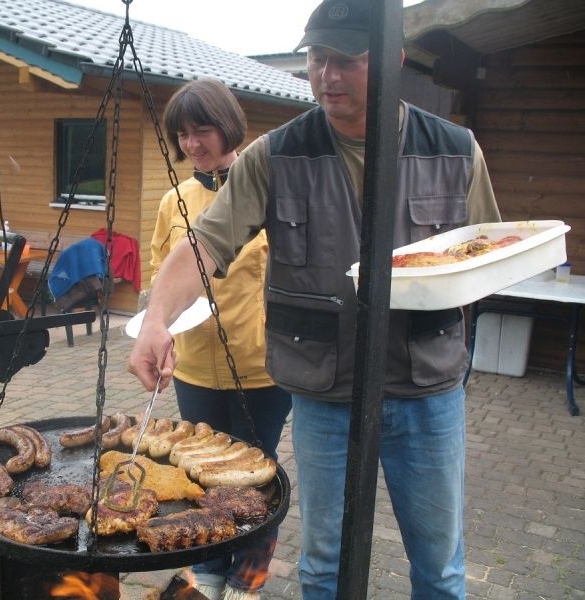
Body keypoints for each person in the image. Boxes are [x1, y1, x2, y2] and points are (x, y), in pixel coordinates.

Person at [128, 1, 501, 598]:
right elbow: (205, 244)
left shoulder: (455, 151)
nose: (327, 75)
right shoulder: (276, 155)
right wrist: (155, 319)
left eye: (346, 60)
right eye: (316, 59)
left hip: (426, 391)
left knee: (439, 566)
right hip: (326, 395)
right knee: (323, 564)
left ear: (393, 59)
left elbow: (485, 255)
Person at [151, 78, 292, 600]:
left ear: (229, 127)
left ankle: (245, 580)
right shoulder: (175, 199)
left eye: (202, 130)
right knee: (198, 476)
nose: (192, 144)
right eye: (183, 135)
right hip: (193, 367)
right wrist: (157, 331)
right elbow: (158, 275)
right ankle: (207, 575)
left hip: (261, 368)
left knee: (254, 478)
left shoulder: (267, 194)